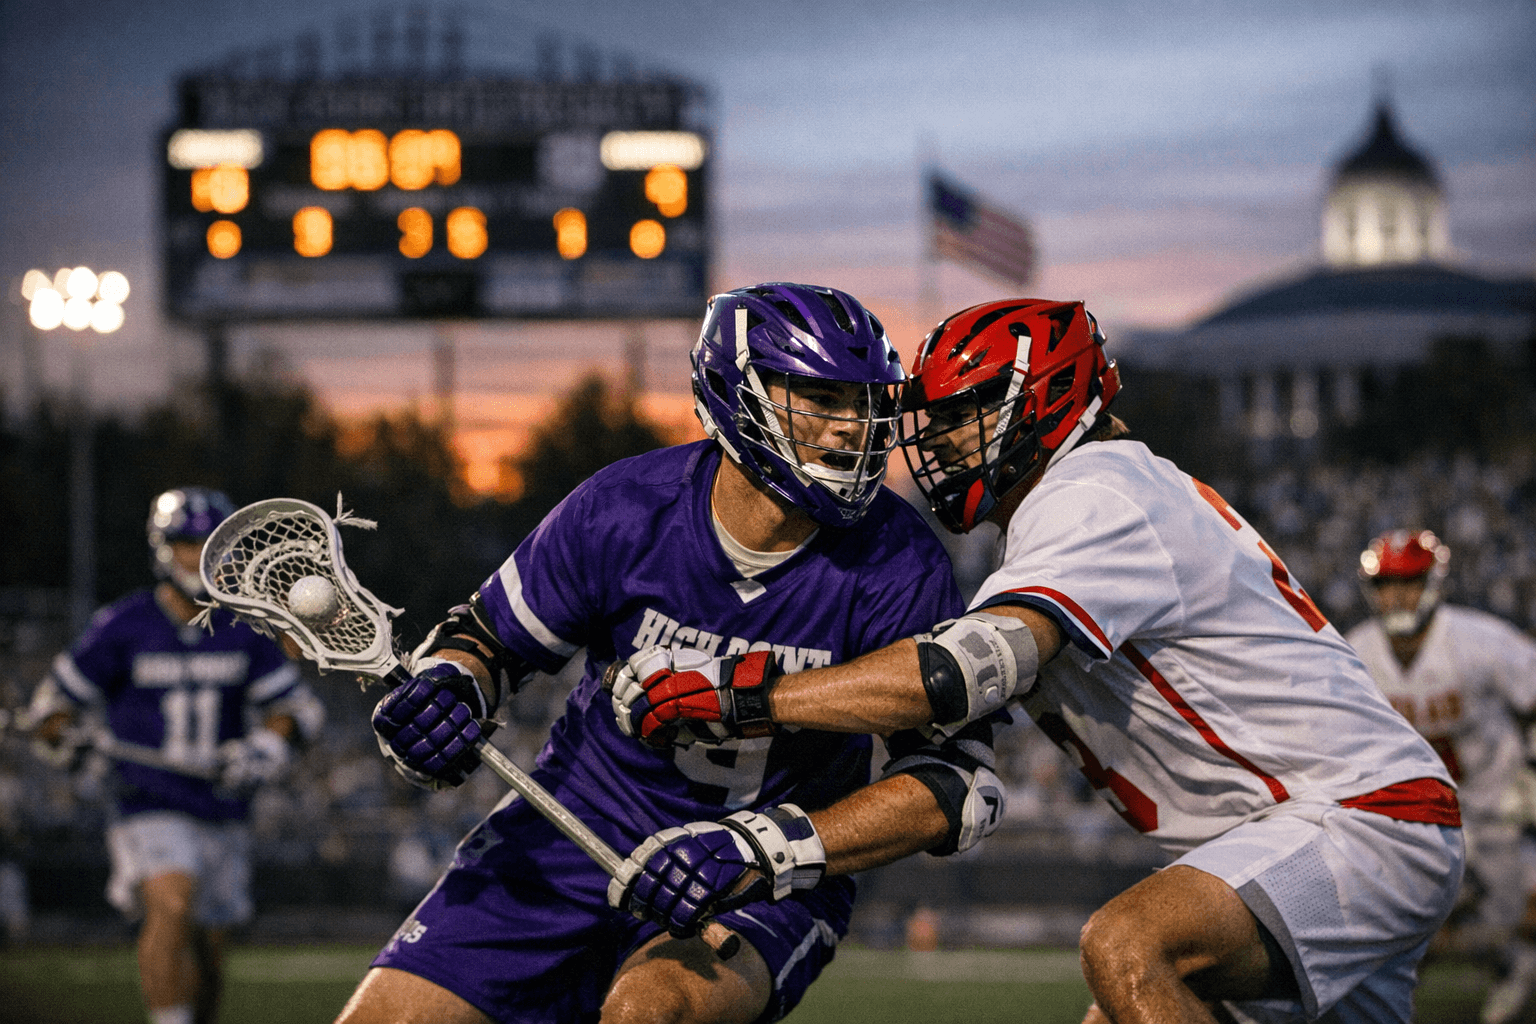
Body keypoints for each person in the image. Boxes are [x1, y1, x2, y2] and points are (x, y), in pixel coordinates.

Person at [609, 297, 1466, 1024]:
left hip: (1355, 821)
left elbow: (953, 676)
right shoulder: (1083, 507)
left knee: (1128, 944)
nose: (940, 441)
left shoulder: (1092, 491)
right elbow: (959, 752)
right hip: (1311, 833)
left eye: (964, 414)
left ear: (1045, 397)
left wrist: (741, 694)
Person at [344, 283, 988, 1024]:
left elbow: (953, 787)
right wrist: (452, 688)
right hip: (571, 829)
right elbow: (488, 644)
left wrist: (765, 850)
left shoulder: (898, 560)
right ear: (736, 393)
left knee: (651, 1013)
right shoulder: (624, 507)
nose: (852, 428)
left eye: (865, 403)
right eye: (822, 399)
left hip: (760, 875)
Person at [26, 486, 323, 1024]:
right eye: (189, 543)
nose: (200, 557)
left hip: (221, 805)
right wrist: (72, 742)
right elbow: (51, 710)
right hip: (149, 799)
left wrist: (263, 748)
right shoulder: (123, 625)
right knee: (172, 903)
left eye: (213, 545)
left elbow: (296, 711)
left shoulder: (244, 625)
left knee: (208, 951)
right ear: (164, 548)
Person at [1347, 529, 1536, 1024]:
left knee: (1508, 914)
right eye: (1386, 585)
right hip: (1414, 812)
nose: (1396, 597)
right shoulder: (1357, 652)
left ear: (1432, 583)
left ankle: (1514, 968)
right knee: (1400, 918)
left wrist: (1532, 768)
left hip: (1493, 804)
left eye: (1408, 583)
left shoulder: (1479, 640)